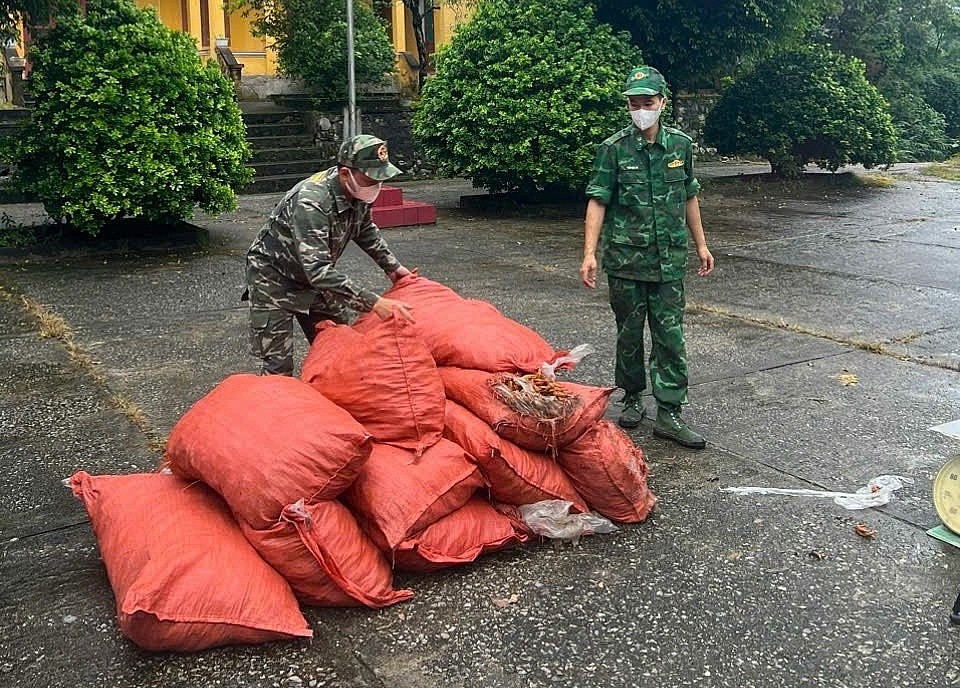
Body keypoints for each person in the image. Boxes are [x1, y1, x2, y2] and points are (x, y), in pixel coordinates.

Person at [580, 65, 714, 449]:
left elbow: (689, 196)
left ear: (663, 103)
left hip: (669, 260)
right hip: (625, 261)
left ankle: (670, 412)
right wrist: (589, 253)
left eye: (648, 102)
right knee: (629, 334)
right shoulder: (613, 149)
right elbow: (597, 200)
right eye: (634, 103)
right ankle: (633, 396)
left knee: (670, 336)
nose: (641, 109)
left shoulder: (680, 146)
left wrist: (701, 244)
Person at [245, 133, 415, 376]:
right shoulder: (311, 202)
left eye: (380, 179)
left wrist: (393, 268)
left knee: (344, 344)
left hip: (315, 278)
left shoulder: (357, 191)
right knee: (279, 367)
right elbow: (318, 272)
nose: (376, 186)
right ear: (345, 173)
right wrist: (374, 302)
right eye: (370, 180)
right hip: (275, 280)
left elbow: (364, 229)